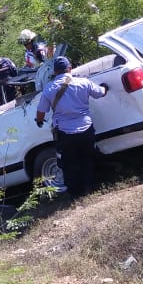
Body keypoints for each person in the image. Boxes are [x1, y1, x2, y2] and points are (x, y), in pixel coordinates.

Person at [34, 57, 108, 198]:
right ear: (70, 68)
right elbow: (100, 92)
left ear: (55, 71)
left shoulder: (49, 89)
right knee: (87, 159)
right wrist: (106, 87)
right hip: (86, 129)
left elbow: (41, 112)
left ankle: (75, 194)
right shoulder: (83, 82)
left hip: (64, 132)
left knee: (69, 163)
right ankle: (88, 189)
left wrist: (39, 120)